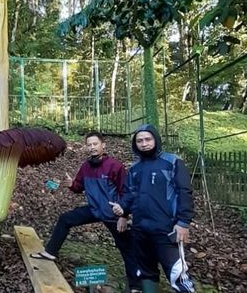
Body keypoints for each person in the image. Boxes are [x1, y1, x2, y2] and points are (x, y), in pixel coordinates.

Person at [30, 132, 141, 292]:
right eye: (89, 145)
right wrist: (71, 184)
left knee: (127, 247)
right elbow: (78, 187)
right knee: (65, 219)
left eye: (95, 144)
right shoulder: (86, 166)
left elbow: (126, 192)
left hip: (112, 214)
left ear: (103, 145)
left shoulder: (115, 166)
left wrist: (124, 215)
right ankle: (50, 252)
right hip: (93, 210)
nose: (92, 147)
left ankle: (136, 286)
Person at [110, 124, 195, 293]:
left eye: (148, 139)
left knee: (177, 274)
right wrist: (123, 212)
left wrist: (184, 222)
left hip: (167, 229)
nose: (144, 143)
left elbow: (185, 191)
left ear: (156, 139)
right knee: (146, 272)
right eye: (139, 140)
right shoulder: (134, 169)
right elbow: (129, 193)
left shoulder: (172, 162)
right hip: (141, 229)